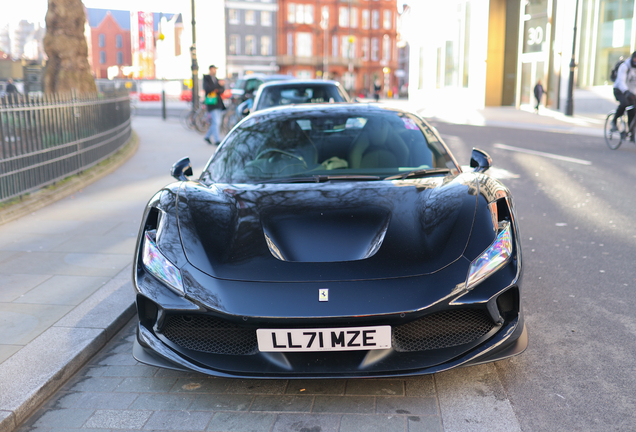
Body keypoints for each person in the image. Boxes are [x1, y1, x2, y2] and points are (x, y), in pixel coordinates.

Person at [611, 51, 636, 139]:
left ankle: (631, 132)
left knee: (633, 110)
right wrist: (626, 91)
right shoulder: (625, 66)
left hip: (631, 92)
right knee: (624, 104)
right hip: (619, 90)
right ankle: (614, 121)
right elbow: (621, 81)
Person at [202, 65, 225, 145]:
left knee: (216, 122)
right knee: (216, 122)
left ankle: (207, 136)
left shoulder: (216, 79)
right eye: (214, 69)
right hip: (211, 103)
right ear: (211, 69)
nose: (215, 71)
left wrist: (217, 88)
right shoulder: (207, 78)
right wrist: (216, 86)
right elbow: (207, 89)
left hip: (218, 103)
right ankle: (216, 140)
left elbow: (222, 89)